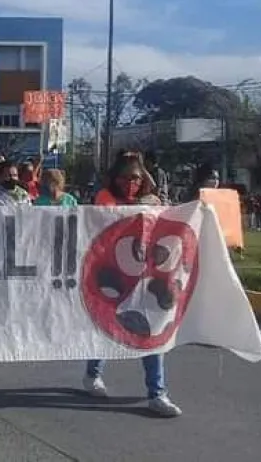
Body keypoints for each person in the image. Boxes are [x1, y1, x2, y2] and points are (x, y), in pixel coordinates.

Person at [84, 153, 181, 418]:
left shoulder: (151, 201)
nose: (131, 183)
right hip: (110, 276)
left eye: (136, 178)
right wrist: (143, 197)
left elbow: (159, 204)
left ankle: (157, 393)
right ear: (115, 178)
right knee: (106, 329)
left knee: (151, 333)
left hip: (144, 278)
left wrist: (145, 174)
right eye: (125, 177)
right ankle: (93, 374)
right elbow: (115, 216)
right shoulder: (106, 197)